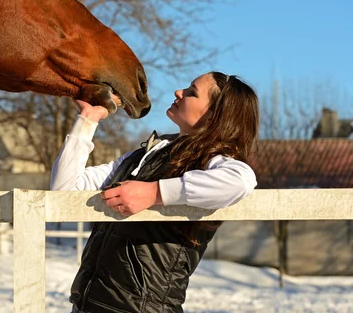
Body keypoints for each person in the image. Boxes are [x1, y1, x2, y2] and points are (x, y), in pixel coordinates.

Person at [51, 71, 259, 313]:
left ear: (215, 114)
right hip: (86, 305)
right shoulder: (141, 156)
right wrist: (88, 119)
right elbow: (63, 190)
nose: (178, 92)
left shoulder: (213, 160)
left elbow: (241, 181)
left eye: (192, 93)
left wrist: (154, 193)